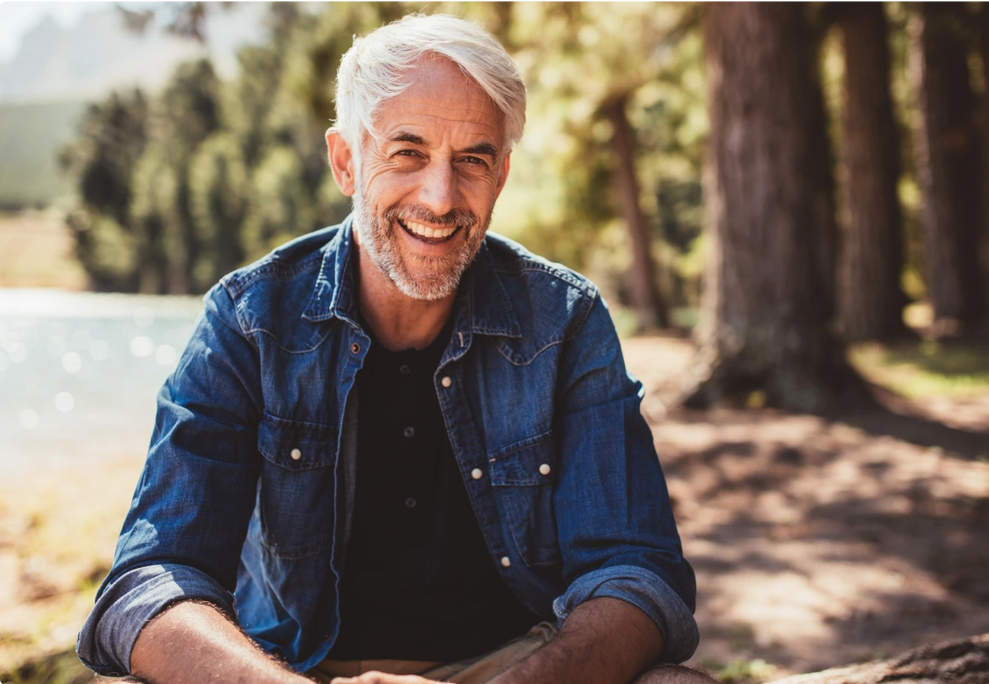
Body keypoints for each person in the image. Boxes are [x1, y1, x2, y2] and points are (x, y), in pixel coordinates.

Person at [77, 14, 711, 684]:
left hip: (513, 669)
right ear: (346, 161)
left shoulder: (565, 320)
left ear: (500, 176)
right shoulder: (249, 319)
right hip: (286, 672)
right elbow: (150, 578)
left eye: (472, 159)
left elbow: (636, 571)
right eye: (407, 153)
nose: (440, 197)